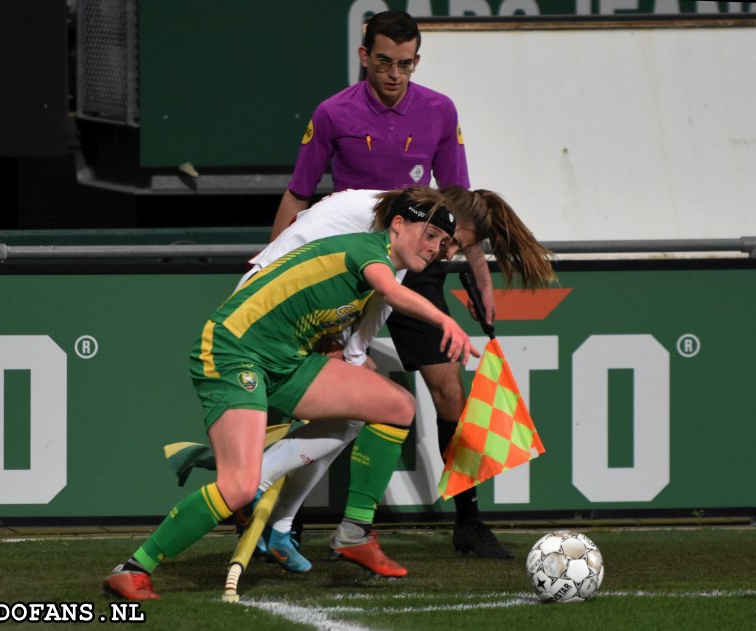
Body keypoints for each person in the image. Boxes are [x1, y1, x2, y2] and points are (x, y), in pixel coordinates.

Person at [102, 190, 480, 600]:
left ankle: (354, 532)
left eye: (442, 241)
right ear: (398, 225)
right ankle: (134, 567)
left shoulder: (387, 271)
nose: (435, 248)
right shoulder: (367, 252)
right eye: (429, 234)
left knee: (396, 406)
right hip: (233, 352)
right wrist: (446, 321)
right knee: (239, 488)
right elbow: (388, 289)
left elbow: (366, 319)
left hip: (287, 362)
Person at [268, 8, 510, 567]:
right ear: (364, 56)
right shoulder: (333, 113)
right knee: (318, 391)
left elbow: (460, 207)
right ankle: (289, 523)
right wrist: (277, 268)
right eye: (384, 61)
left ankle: (469, 521)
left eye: (405, 63)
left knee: (451, 392)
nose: (394, 73)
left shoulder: (440, 111)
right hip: (350, 269)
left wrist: (481, 276)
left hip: (419, 267)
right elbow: (298, 196)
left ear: (416, 61)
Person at [247, 187, 555, 577]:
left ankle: (283, 525)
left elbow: (375, 304)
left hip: (301, 309)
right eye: (452, 243)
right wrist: (349, 348)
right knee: (346, 410)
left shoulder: (407, 244)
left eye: (454, 248)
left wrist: (354, 355)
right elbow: (307, 267)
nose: (447, 254)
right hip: (272, 311)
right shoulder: (378, 219)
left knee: (362, 409)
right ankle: (259, 491)